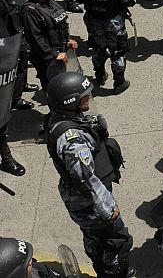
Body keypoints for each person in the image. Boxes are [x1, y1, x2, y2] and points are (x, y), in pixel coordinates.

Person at [43, 71, 134, 278]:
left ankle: (105, 269)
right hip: (89, 200)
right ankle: (113, 273)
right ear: (71, 102)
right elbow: (85, 178)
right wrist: (107, 206)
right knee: (116, 240)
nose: (88, 98)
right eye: (84, 95)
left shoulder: (62, 117)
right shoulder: (73, 140)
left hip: (81, 197)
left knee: (95, 239)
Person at [77, 0, 135, 93]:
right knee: (118, 53)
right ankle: (119, 83)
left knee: (98, 49)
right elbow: (129, 0)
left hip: (93, 21)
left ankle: (100, 76)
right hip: (114, 23)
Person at [21, 0, 77, 89]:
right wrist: (53, 55)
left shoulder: (50, 3)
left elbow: (61, 24)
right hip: (47, 58)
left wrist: (68, 39)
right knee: (54, 88)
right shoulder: (29, 11)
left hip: (60, 51)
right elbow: (35, 38)